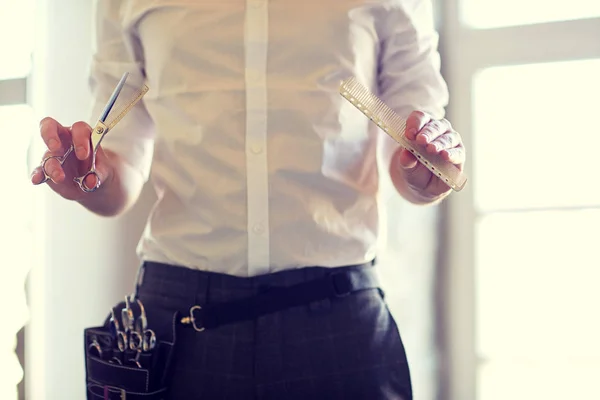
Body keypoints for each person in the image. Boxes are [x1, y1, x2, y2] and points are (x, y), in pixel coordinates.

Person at [30, 0, 465, 399]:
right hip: (180, 322)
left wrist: (427, 170)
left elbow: (414, 143)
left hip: (338, 317)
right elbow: (119, 167)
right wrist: (90, 176)